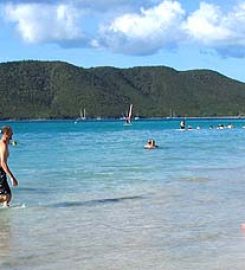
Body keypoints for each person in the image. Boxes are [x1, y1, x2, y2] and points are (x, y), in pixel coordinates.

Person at [0, 126, 18, 207]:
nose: (13, 134)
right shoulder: (3, 145)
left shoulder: (5, 142)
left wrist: (11, 143)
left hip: (1, 171)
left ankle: (5, 217)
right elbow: (2, 163)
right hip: (0, 171)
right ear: (6, 133)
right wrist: (12, 177)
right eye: (11, 133)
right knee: (6, 196)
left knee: (8, 196)